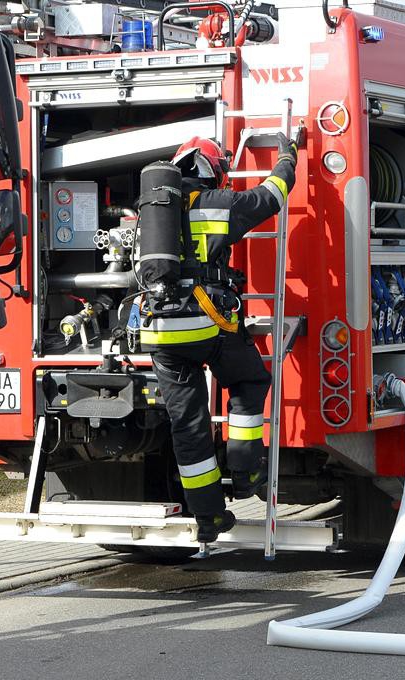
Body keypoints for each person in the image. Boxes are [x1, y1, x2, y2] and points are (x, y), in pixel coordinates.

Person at [138, 133, 297, 542]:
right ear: (213, 171)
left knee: (188, 424)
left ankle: (208, 517)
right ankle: (246, 472)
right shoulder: (219, 204)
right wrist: (286, 157)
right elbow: (272, 196)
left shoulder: (148, 214)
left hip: (159, 331)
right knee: (249, 380)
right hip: (207, 324)